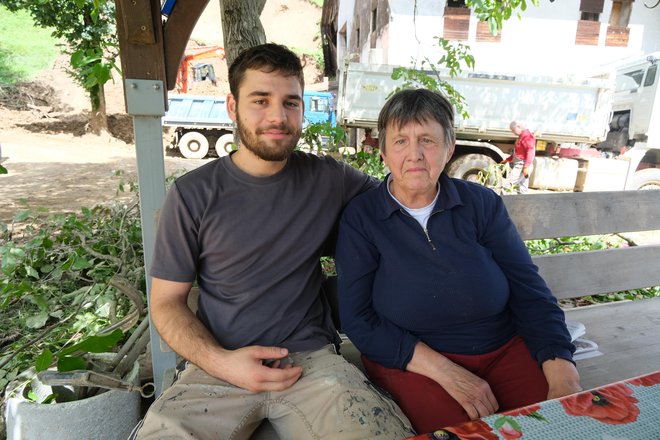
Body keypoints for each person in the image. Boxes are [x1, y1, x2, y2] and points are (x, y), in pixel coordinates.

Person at [133, 44, 414, 439]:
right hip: (217, 367)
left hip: (313, 365)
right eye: (260, 101)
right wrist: (222, 362)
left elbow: (401, 199)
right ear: (232, 107)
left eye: (290, 103)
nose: (278, 117)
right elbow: (165, 302)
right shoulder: (193, 193)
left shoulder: (327, 179)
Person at [335, 89, 582, 434]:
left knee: (562, 426)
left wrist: (561, 365)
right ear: (383, 152)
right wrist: (446, 372)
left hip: (503, 349)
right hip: (413, 362)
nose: (415, 154)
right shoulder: (363, 218)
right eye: (401, 141)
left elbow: (529, 291)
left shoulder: (480, 205)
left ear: (450, 147)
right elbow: (359, 320)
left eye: (427, 140)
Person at [502, 121, 536, 194]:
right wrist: (508, 160)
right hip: (522, 165)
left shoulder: (527, 136)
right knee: (522, 188)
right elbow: (518, 152)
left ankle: (501, 202)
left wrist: (526, 167)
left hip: (522, 166)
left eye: (513, 130)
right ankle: (522, 204)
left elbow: (531, 151)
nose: (513, 133)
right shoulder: (522, 136)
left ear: (519, 127)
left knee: (507, 186)